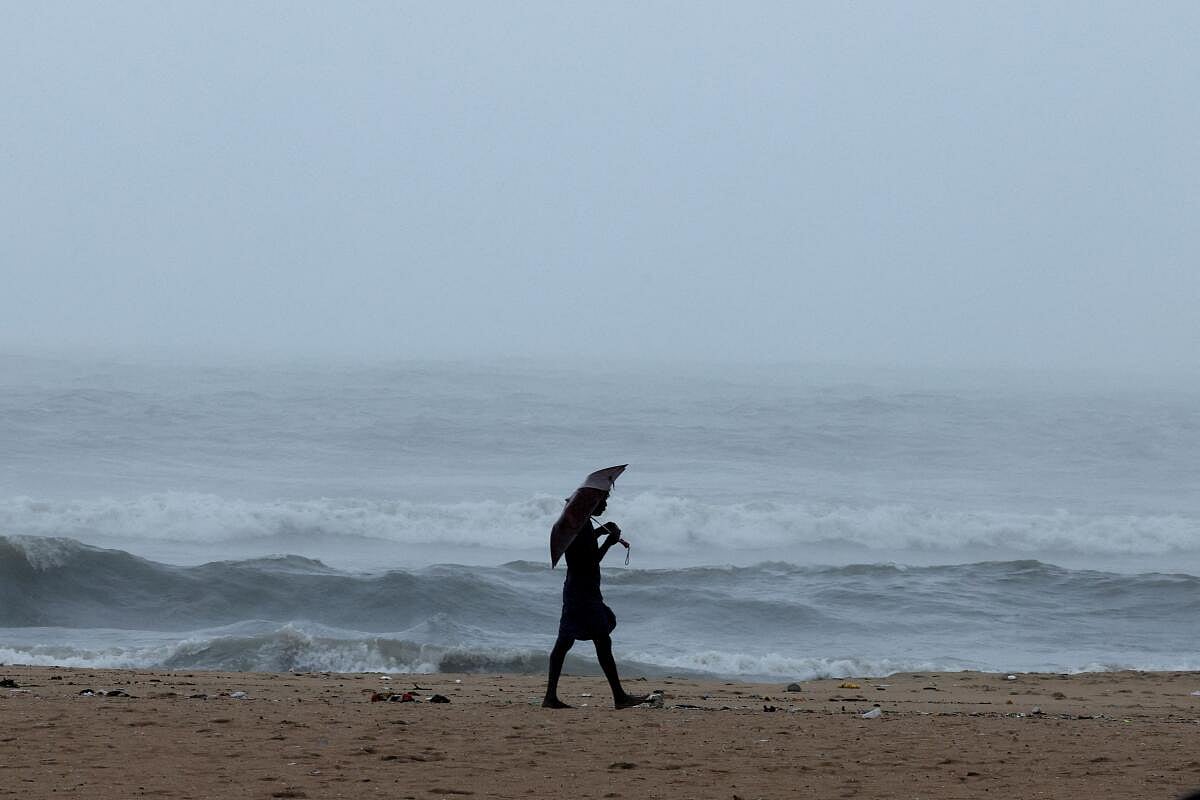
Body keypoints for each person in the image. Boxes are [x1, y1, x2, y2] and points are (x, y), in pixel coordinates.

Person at [542, 486, 649, 709]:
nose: (606, 505)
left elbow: (583, 551)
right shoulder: (581, 528)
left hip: (578, 590)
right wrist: (609, 543)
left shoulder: (579, 525)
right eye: (603, 501)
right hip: (583, 593)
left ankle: (550, 696)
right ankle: (619, 697)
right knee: (600, 640)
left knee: (565, 642)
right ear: (592, 504)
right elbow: (589, 562)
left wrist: (601, 533)